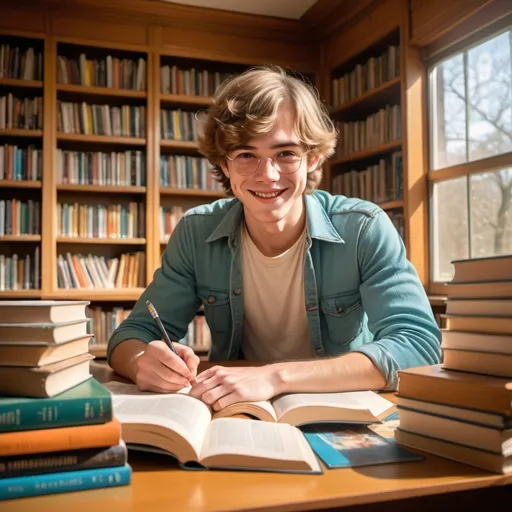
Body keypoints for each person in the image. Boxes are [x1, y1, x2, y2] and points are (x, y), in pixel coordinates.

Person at [107, 65, 441, 411]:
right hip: (238, 412)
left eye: (285, 154)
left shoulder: (364, 228)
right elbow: (130, 336)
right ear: (225, 166)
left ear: (312, 158)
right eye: (246, 155)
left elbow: (418, 346)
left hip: (346, 412)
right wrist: (142, 361)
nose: (267, 175)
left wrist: (274, 377)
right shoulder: (196, 232)